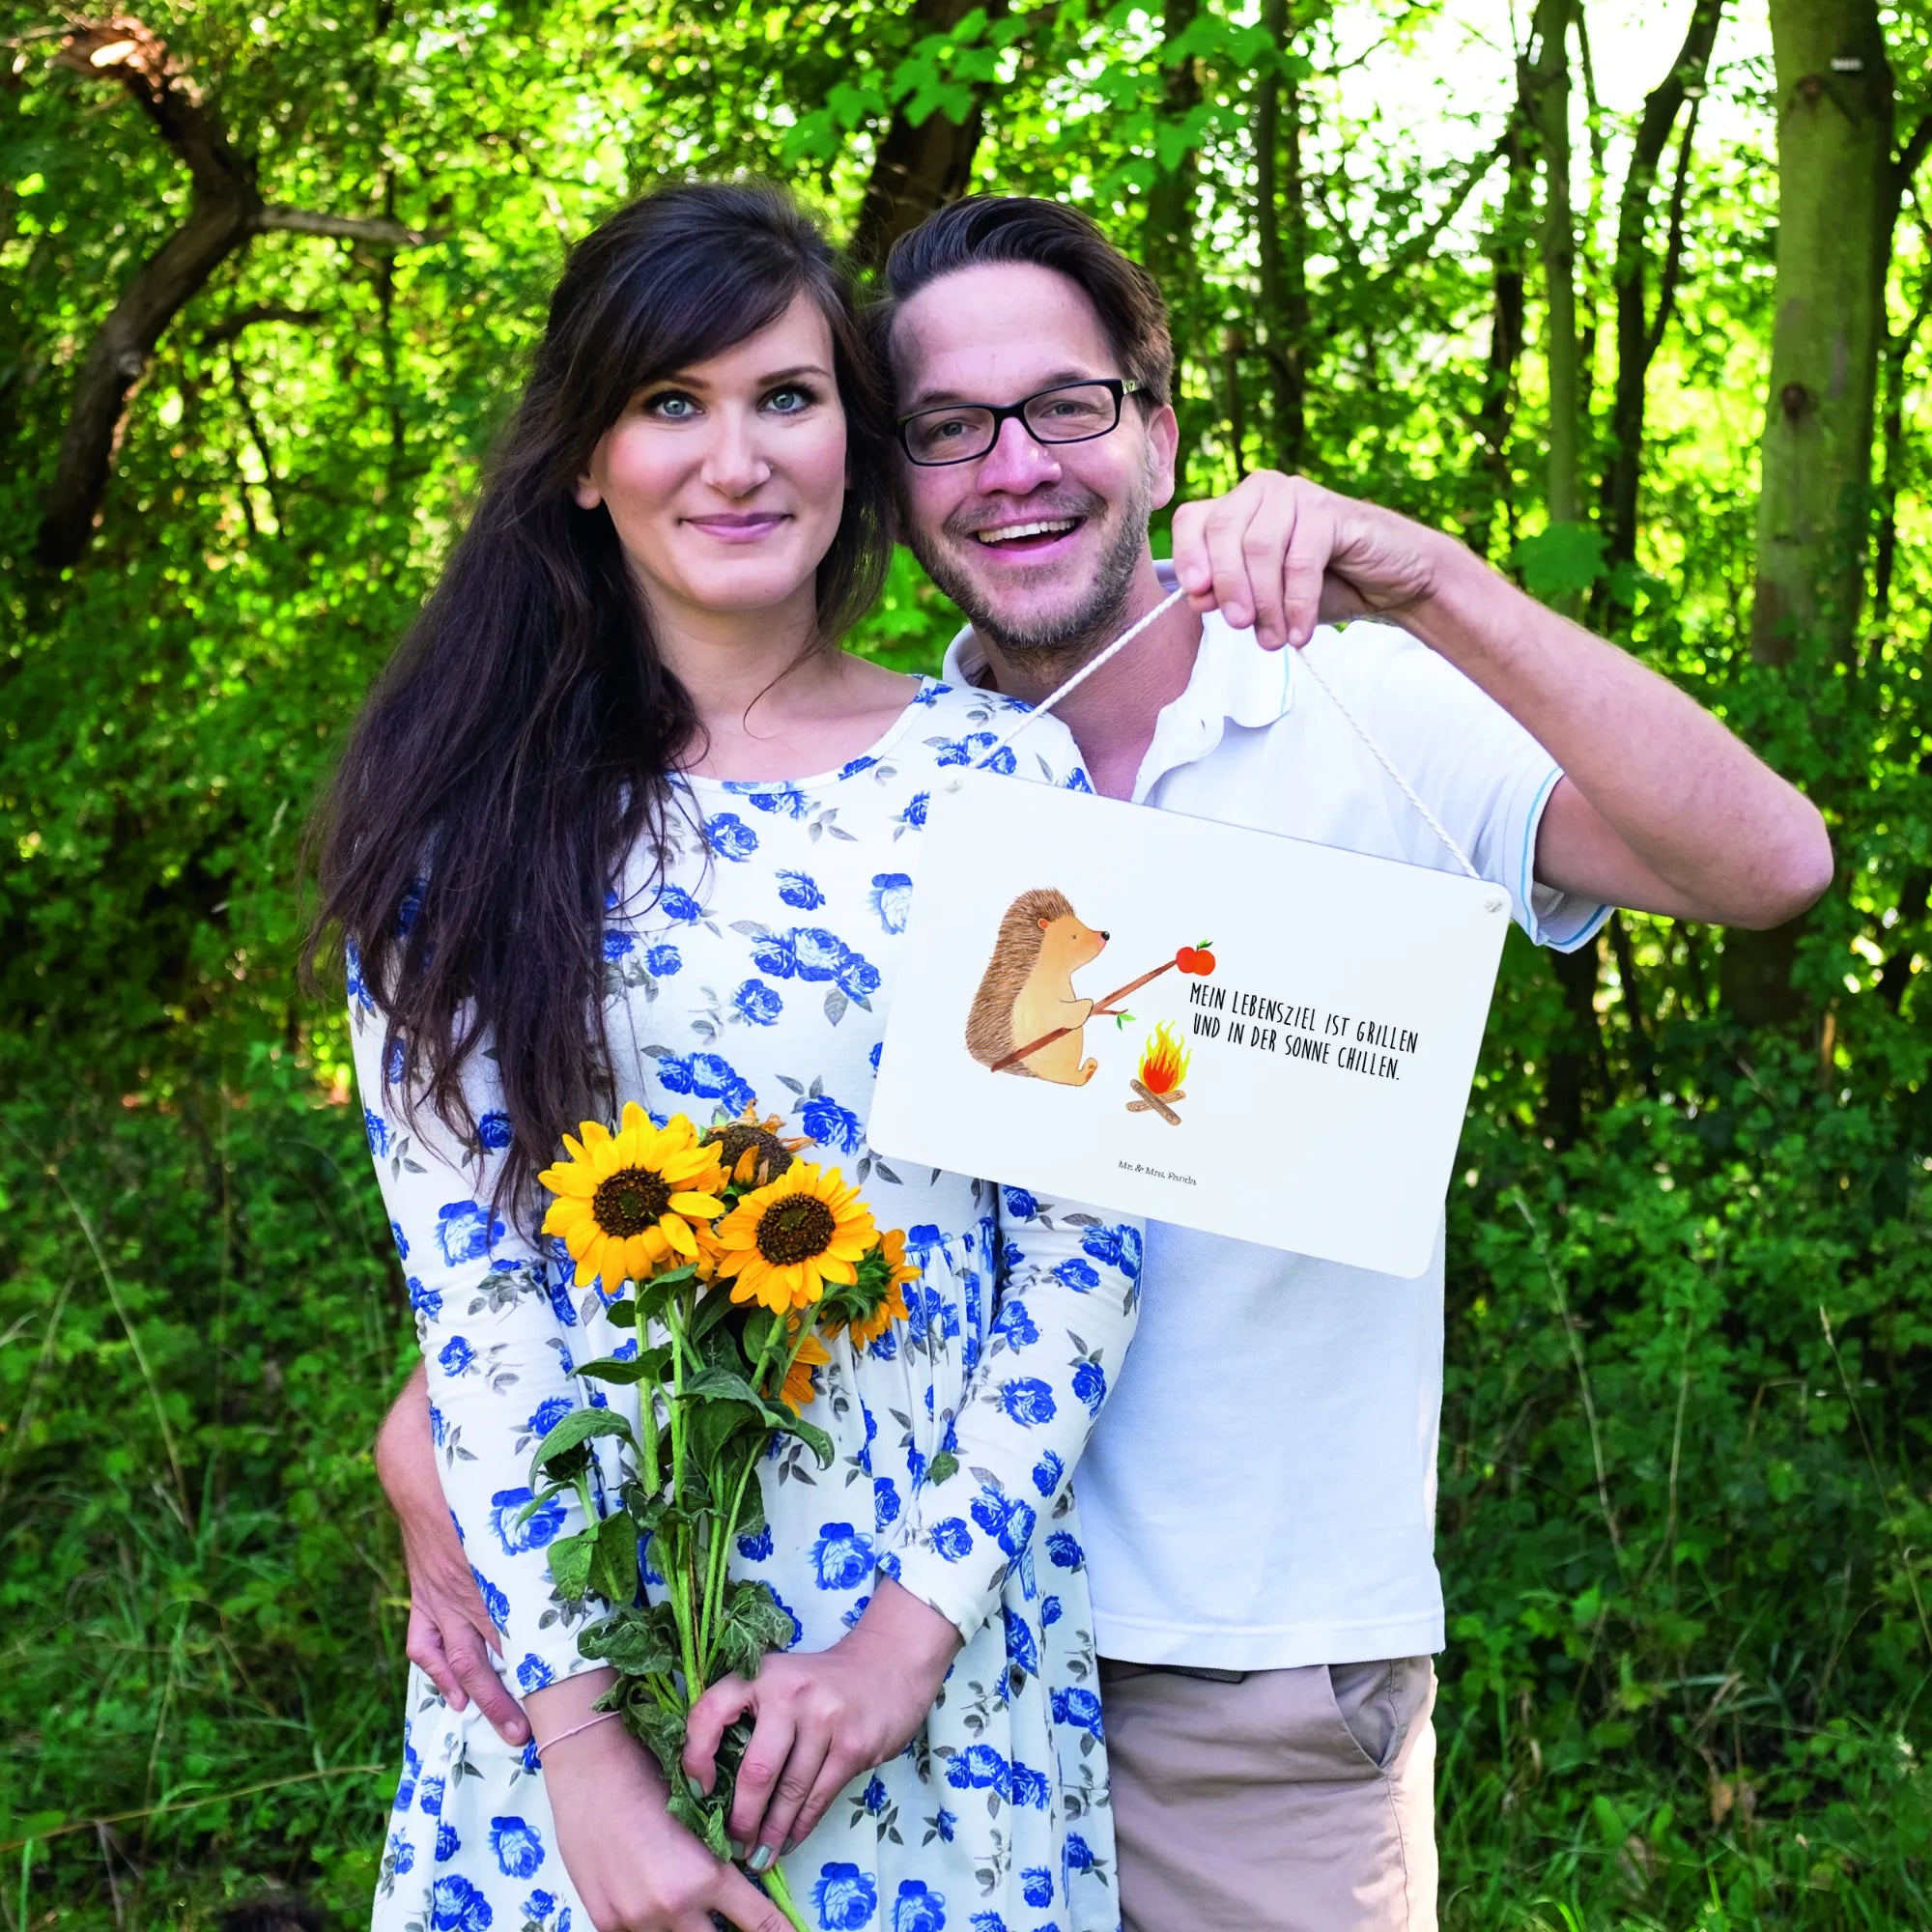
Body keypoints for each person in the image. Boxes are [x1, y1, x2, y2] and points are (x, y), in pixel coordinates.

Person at [381, 191, 1833, 1930]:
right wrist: (442, 1427)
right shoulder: (891, 782)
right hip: (797, 1643)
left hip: (1230, 1677)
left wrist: (1431, 577)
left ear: (1159, 431)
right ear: (895, 470)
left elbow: (1771, 867)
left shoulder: (1342, 705)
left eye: (1065, 407)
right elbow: (644, 1175)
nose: (1014, 466)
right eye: (949, 427)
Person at [313, 182, 1146, 1932]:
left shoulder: (1004, 781)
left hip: (929, 1667)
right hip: (574, 1663)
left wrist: (903, 1647)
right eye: (671, 403)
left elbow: (1086, 1245)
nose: (738, 459)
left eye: (788, 397)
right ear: (583, 458)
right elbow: (477, 1300)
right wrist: (586, 1762)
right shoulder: (462, 826)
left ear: (855, 434)